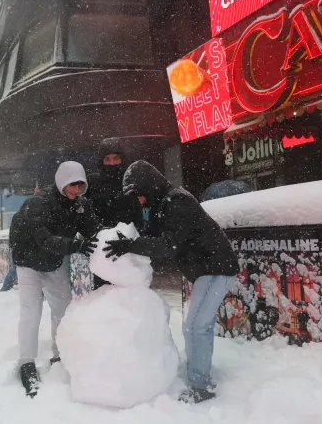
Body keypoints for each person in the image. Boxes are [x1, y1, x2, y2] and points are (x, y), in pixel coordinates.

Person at [102, 160, 239, 404]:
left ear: (148, 185)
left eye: (139, 194)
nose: (140, 201)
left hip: (216, 267)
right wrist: (130, 239)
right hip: (207, 269)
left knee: (195, 325)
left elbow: (167, 245)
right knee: (200, 325)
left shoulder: (178, 202)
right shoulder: (163, 203)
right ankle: (199, 374)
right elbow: (153, 236)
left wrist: (130, 245)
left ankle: (201, 386)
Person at [9, 161, 101, 397]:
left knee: (62, 307)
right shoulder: (39, 203)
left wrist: (111, 239)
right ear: (61, 182)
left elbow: (94, 230)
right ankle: (26, 362)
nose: (76, 189)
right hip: (28, 260)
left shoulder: (80, 205)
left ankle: (60, 354)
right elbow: (44, 239)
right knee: (31, 311)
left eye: (80, 184)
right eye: (72, 184)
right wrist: (74, 244)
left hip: (52, 261)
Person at [85, 137, 142, 290]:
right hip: (100, 250)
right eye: (107, 159)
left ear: (123, 159)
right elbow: (82, 213)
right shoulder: (91, 183)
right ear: (101, 161)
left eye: (116, 158)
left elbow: (139, 216)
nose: (112, 163)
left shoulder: (132, 183)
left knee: (129, 297)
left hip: (127, 249)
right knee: (102, 297)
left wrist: (137, 241)